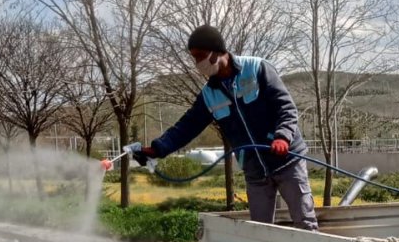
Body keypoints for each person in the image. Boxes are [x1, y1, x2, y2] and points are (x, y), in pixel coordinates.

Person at [133, 25, 317, 230]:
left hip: (287, 161)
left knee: (305, 223)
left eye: (200, 56)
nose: (198, 63)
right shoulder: (209, 94)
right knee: (260, 232)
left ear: (217, 51)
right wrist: (157, 149)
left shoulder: (257, 69)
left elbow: (286, 108)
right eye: (194, 58)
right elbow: (186, 126)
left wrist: (282, 136)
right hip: (255, 170)